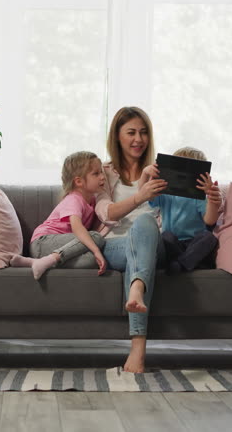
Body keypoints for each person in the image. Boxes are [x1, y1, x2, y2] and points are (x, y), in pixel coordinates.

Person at [94, 106, 168, 374]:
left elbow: (173, 212)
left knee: (145, 223)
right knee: (138, 232)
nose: (139, 139)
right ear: (117, 136)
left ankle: (136, 287)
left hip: (152, 244)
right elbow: (106, 212)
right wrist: (140, 195)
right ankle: (138, 348)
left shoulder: (159, 171)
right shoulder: (102, 171)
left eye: (144, 132)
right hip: (116, 246)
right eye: (131, 132)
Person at [10, 151, 107, 279]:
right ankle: (50, 259)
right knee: (96, 238)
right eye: (96, 173)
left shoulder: (93, 201)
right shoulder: (74, 199)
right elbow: (77, 228)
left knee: (92, 261)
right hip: (43, 242)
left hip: (59, 248)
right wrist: (95, 250)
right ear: (79, 182)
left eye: (101, 172)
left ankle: (36, 262)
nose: (102, 177)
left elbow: (94, 228)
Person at [139, 146, 222, 273]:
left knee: (209, 237)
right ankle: (187, 263)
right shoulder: (165, 194)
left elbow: (210, 221)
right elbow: (142, 193)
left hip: (194, 243)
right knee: (165, 236)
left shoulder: (199, 197)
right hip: (173, 244)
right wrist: (145, 173)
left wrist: (211, 197)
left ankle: (181, 264)